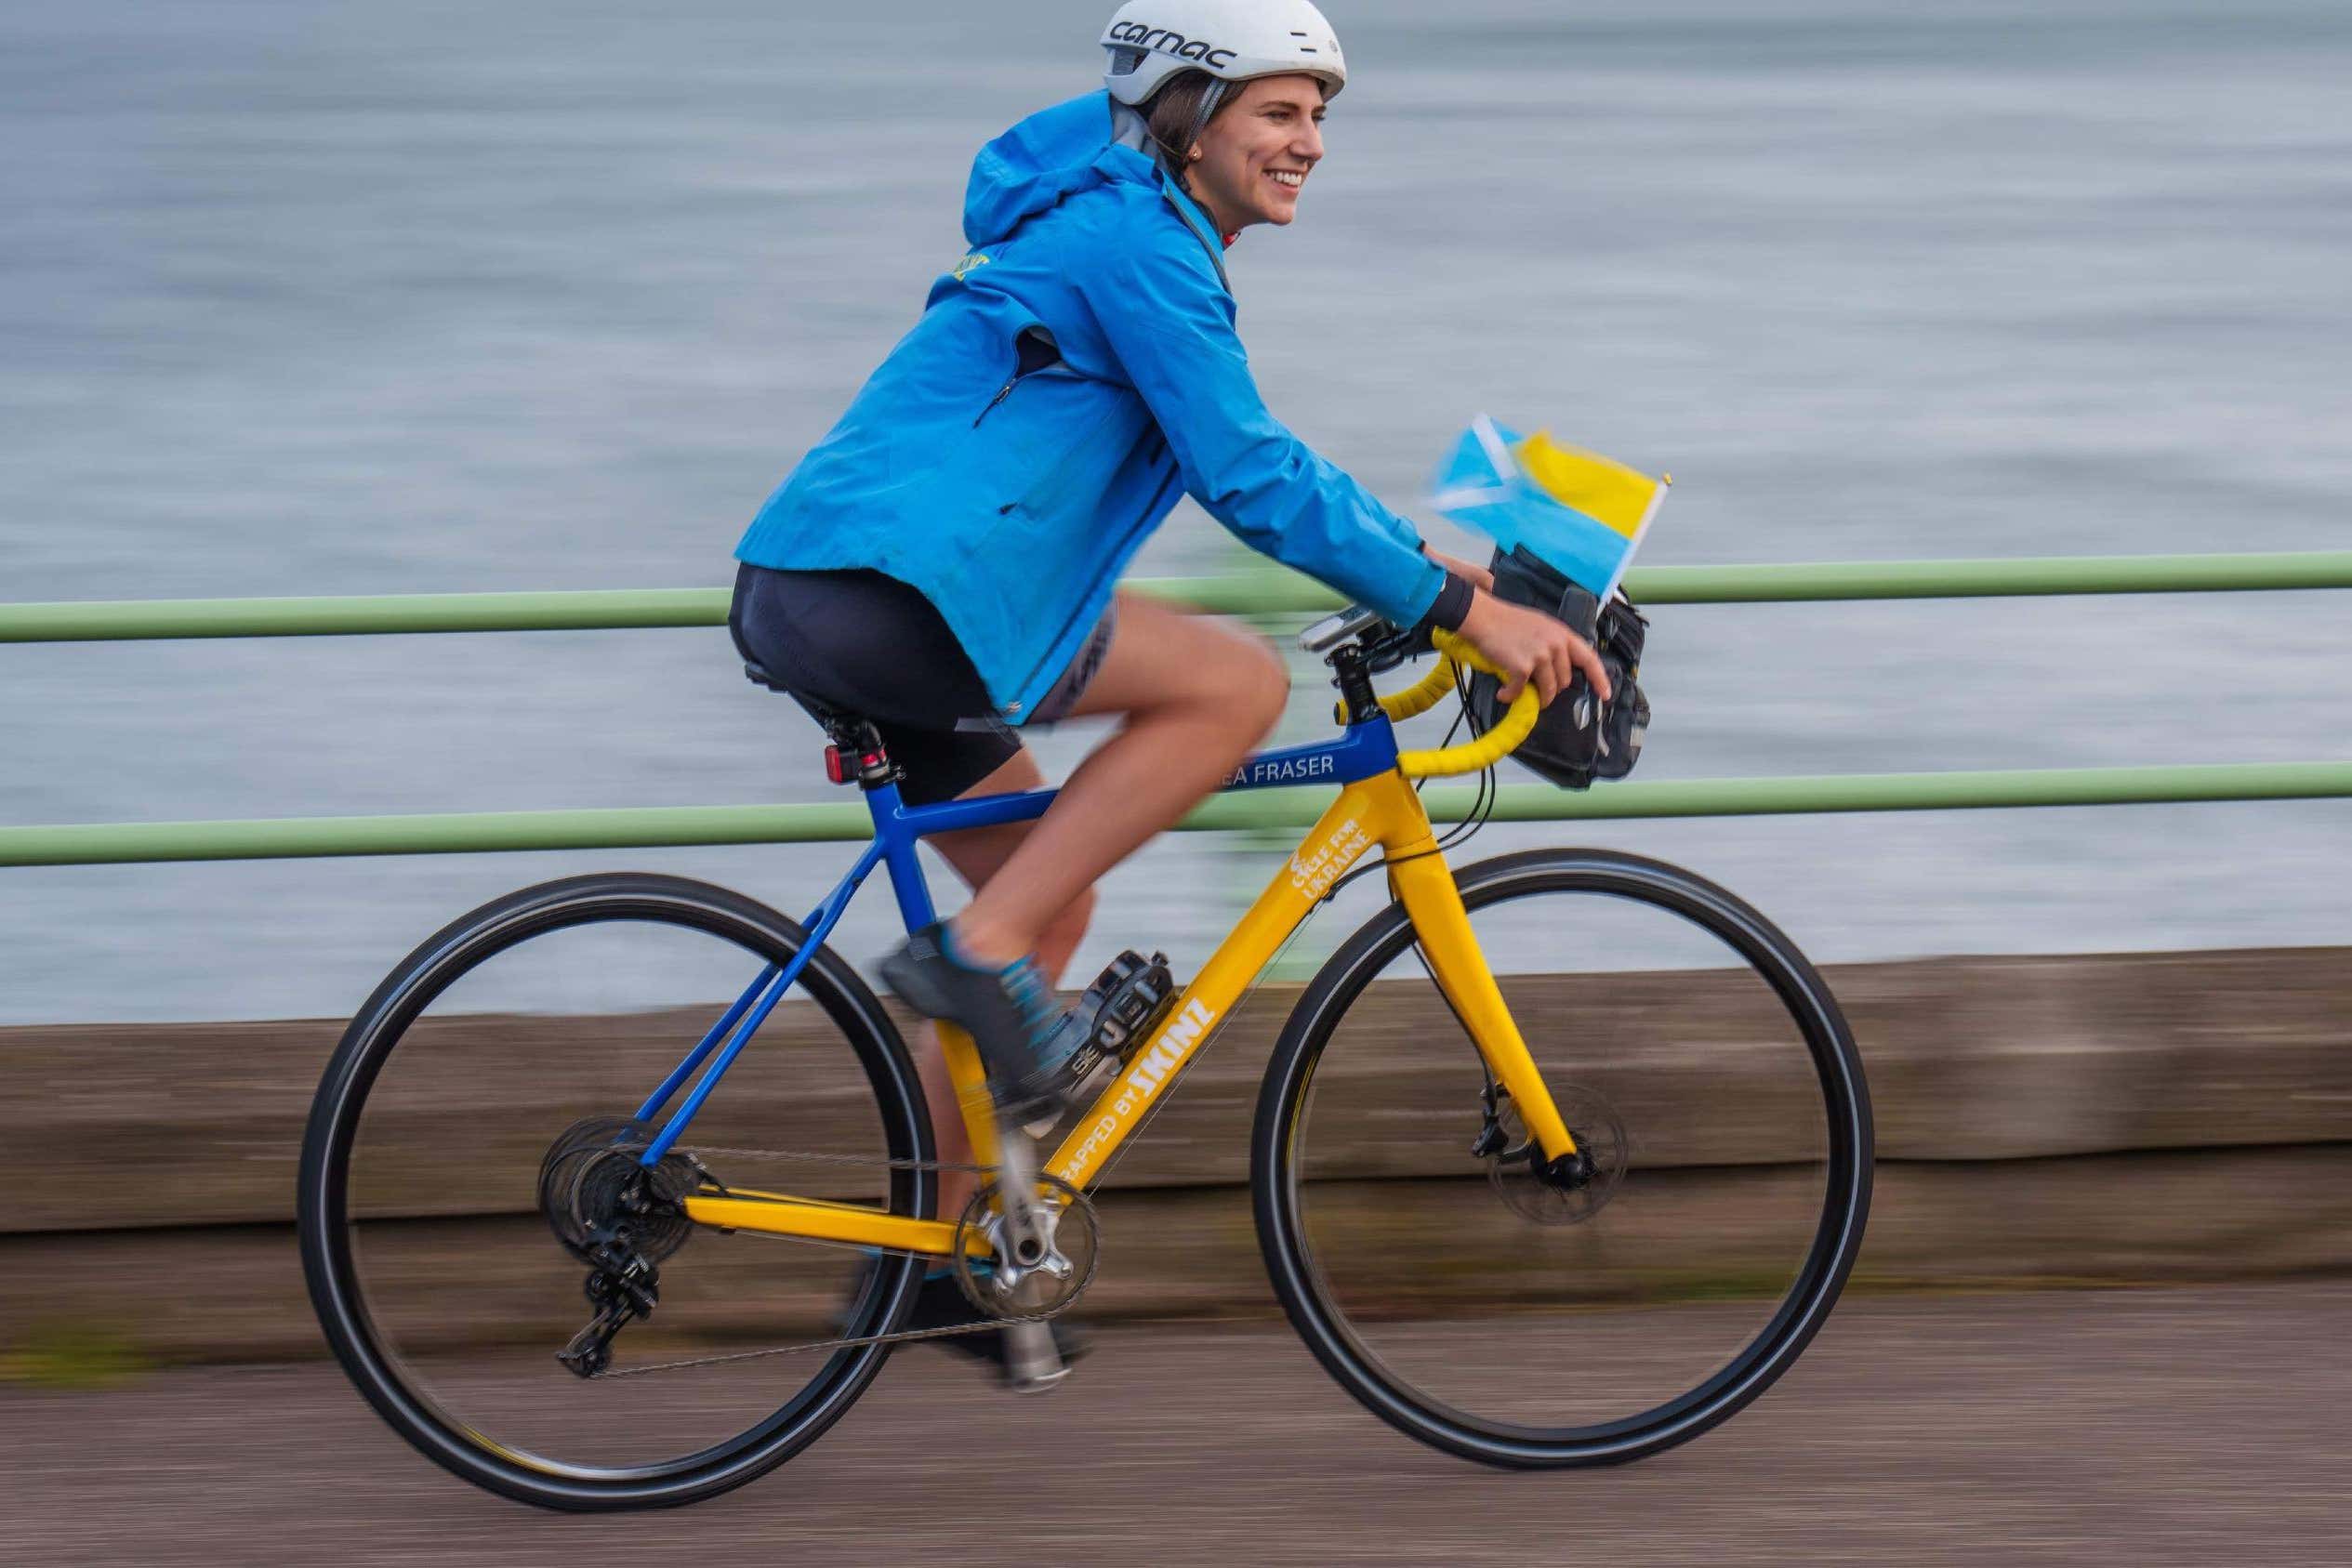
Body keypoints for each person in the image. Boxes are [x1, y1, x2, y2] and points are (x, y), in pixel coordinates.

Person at [729, 0, 1607, 1364]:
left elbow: (1265, 458)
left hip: (908, 592)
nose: (1308, 140)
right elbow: (1248, 473)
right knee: (1230, 692)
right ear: (1188, 117)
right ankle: (969, 961)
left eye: (1319, 115)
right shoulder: (1135, 238)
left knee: (1058, 899)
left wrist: (1460, 581)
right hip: (895, 601)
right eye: (1277, 110)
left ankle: (936, 1267)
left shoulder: (1137, 224)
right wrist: (1453, 608)